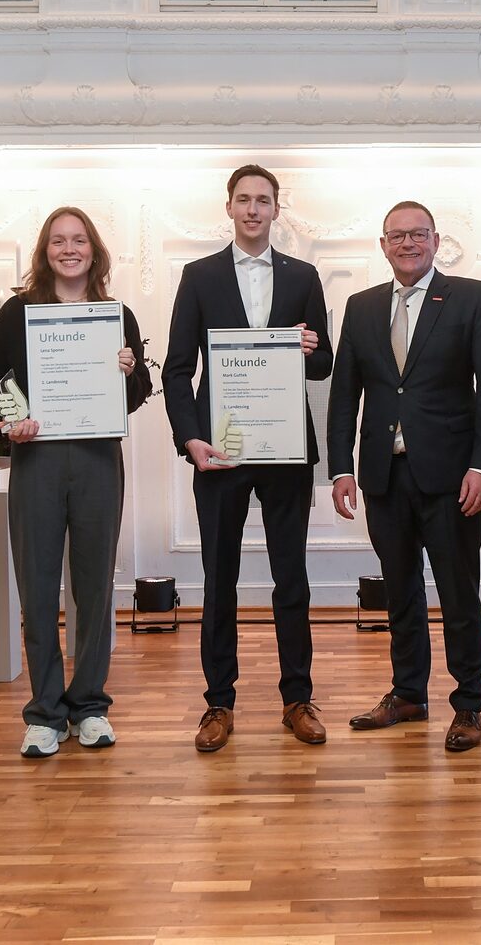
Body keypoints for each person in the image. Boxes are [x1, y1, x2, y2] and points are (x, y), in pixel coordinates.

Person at [328, 201, 481, 753]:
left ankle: (468, 705)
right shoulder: (360, 308)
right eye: (396, 236)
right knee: (400, 593)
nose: (407, 244)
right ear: (383, 245)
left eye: (418, 234)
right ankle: (408, 694)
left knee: (458, 594)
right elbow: (344, 398)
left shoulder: (472, 297)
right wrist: (341, 468)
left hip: (453, 478)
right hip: (384, 477)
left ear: (437, 240)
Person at [162, 165, 332, 752]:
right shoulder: (199, 276)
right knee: (220, 581)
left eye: (264, 200)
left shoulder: (304, 276)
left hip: (285, 451)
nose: (254, 209)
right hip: (221, 452)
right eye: (244, 200)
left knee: (292, 578)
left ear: (277, 210)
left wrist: (309, 347)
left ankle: (297, 698)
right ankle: (218, 703)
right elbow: (177, 369)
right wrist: (190, 440)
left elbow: (323, 363)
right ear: (229, 208)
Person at [0, 206, 153, 758]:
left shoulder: (115, 314)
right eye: (58, 241)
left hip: (99, 458)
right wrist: (15, 417)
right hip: (39, 460)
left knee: (95, 585)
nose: (69, 249)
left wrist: (131, 369)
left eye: (78, 240)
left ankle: (90, 705)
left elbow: (137, 392)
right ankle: (45, 712)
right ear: (45, 250)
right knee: (36, 584)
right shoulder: (18, 311)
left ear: (94, 249)